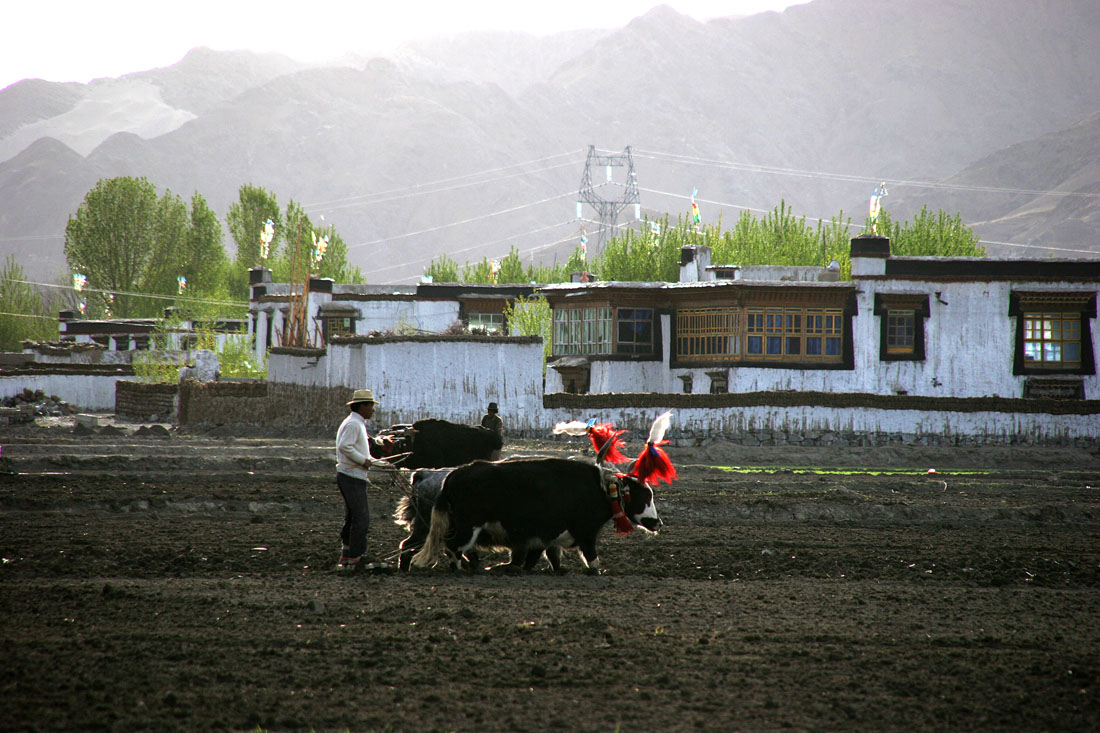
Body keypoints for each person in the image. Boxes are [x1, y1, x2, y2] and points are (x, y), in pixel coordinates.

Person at [335, 388, 395, 571]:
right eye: (370, 406)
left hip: (350, 475)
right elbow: (345, 447)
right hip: (352, 476)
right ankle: (356, 558)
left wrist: (382, 464)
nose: (373, 410)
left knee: (353, 518)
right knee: (362, 519)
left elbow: (358, 451)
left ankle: (347, 556)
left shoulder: (355, 422)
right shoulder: (354, 424)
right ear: (361, 406)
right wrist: (365, 462)